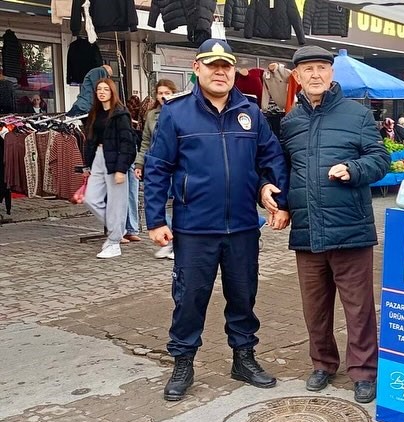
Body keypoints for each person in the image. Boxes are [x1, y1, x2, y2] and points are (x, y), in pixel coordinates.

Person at [143, 39, 290, 401]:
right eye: (212, 65)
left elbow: (271, 156)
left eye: (226, 65)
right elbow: (158, 168)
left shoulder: (250, 112)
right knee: (190, 298)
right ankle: (183, 362)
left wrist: (273, 189)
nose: (220, 71)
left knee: (243, 296)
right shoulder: (176, 113)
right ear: (197, 69)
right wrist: (155, 220)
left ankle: (244, 358)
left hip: (242, 227)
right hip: (194, 229)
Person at [265, 45, 389, 404]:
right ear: (298, 77)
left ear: (331, 74)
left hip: (350, 228)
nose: (316, 75)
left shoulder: (357, 115)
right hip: (307, 231)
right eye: (308, 70)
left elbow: (379, 160)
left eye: (322, 68)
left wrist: (354, 170)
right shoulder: (290, 122)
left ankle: (364, 371)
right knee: (314, 307)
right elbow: (287, 172)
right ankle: (322, 364)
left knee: (359, 307)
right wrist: (282, 205)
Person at [82, 78, 136, 259]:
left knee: (117, 203)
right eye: (99, 89)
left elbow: (128, 143)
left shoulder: (120, 114)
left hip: (115, 160)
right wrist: (88, 164)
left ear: (112, 92)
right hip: (98, 158)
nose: (102, 92)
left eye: (106, 89)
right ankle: (116, 230)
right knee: (91, 198)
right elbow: (89, 140)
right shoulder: (95, 113)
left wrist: (122, 168)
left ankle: (114, 243)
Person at [135, 79, 177, 259]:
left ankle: (176, 243)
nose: (163, 96)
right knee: (158, 202)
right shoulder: (151, 115)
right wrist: (139, 164)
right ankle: (168, 237)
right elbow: (145, 142)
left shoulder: (179, 112)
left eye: (166, 93)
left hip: (177, 165)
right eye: (160, 93)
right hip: (157, 166)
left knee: (180, 203)